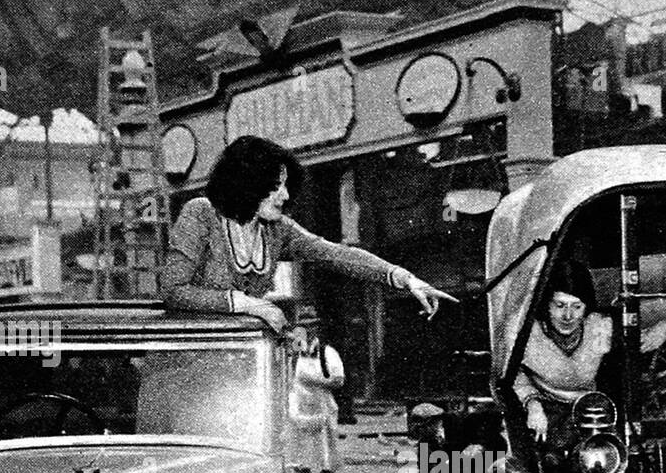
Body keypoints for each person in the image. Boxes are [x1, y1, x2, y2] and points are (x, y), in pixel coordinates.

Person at [162, 134, 454, 330]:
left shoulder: (277, 231)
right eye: (276, 186)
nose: (286, 196)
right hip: (192, 363)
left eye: (286, 186)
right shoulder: (200, 212)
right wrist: (250, 304)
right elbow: (174, 290)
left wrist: (405, 278)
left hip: (244, 361)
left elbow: (336, 254)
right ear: (247, 183)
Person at [511, 259, 613, 473]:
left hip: (589, 415)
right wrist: (532, 403)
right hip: (544, 418)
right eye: (559, 305)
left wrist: (664, 330)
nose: (568, 316)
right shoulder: (528, 334)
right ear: (546, 304)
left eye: (577, 307)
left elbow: (635, 343)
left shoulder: (599, 327)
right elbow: (512, 373)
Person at [285, 314, 345, 473]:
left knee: (326, 453)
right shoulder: (293, 353)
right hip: (299, 406)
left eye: (311, 327)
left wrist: (315, 381)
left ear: (317, 329)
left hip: (322, 407)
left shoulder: (327, 353)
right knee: (300, 453)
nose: (307, 332)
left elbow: (339, 380)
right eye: (303, 328)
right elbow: (285, 377)